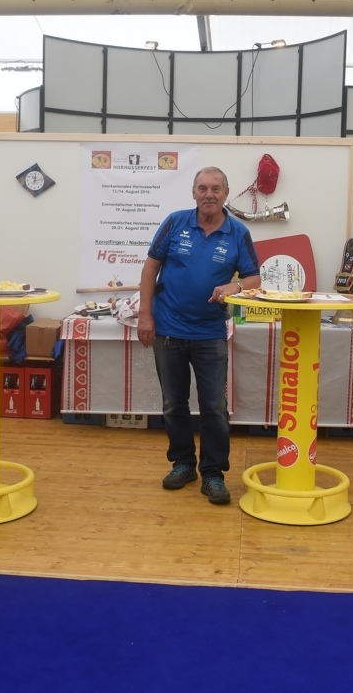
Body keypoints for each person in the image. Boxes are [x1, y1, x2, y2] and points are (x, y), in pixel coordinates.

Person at [137, 167, 261, 505]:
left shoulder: (238, 233)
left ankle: (213, 473)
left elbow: (254, 278)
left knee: (214, 406)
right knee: (173, 403)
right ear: (193, 192)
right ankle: (182, 464)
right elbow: (150, 268)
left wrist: (235, 286)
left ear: (226, 193)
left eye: (216, 188)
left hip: (210, 333)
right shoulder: (175, 223)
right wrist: (145, 315)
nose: (209, 194)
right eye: (203, 188)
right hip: (168, 329)